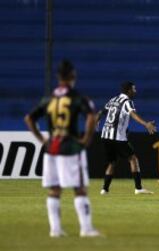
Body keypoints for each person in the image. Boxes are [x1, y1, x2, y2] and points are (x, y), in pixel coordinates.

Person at [24, 59, 100, 237]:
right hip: (70, 147)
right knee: (79, 188)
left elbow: (29, 118)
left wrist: (42, 139)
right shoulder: (77, 97)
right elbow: (91, 117)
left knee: (54, 189)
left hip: (52, 148)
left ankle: (55, 230)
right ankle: (86, 229)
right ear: (73, 76)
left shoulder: (48, 99)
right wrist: (86, 139)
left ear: (58, 77)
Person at [98, 81, 156, 195]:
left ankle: (104, 189)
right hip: (118, 137)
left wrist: (96, 121)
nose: (135, 91)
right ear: (129, 90)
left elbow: (101, 112)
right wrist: (146, 124)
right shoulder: (127, 102)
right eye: (134, 89)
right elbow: (133, 115)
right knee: (133, 159)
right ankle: (138, 188)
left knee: (112, 162)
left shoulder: (113, 99)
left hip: (105, 135)